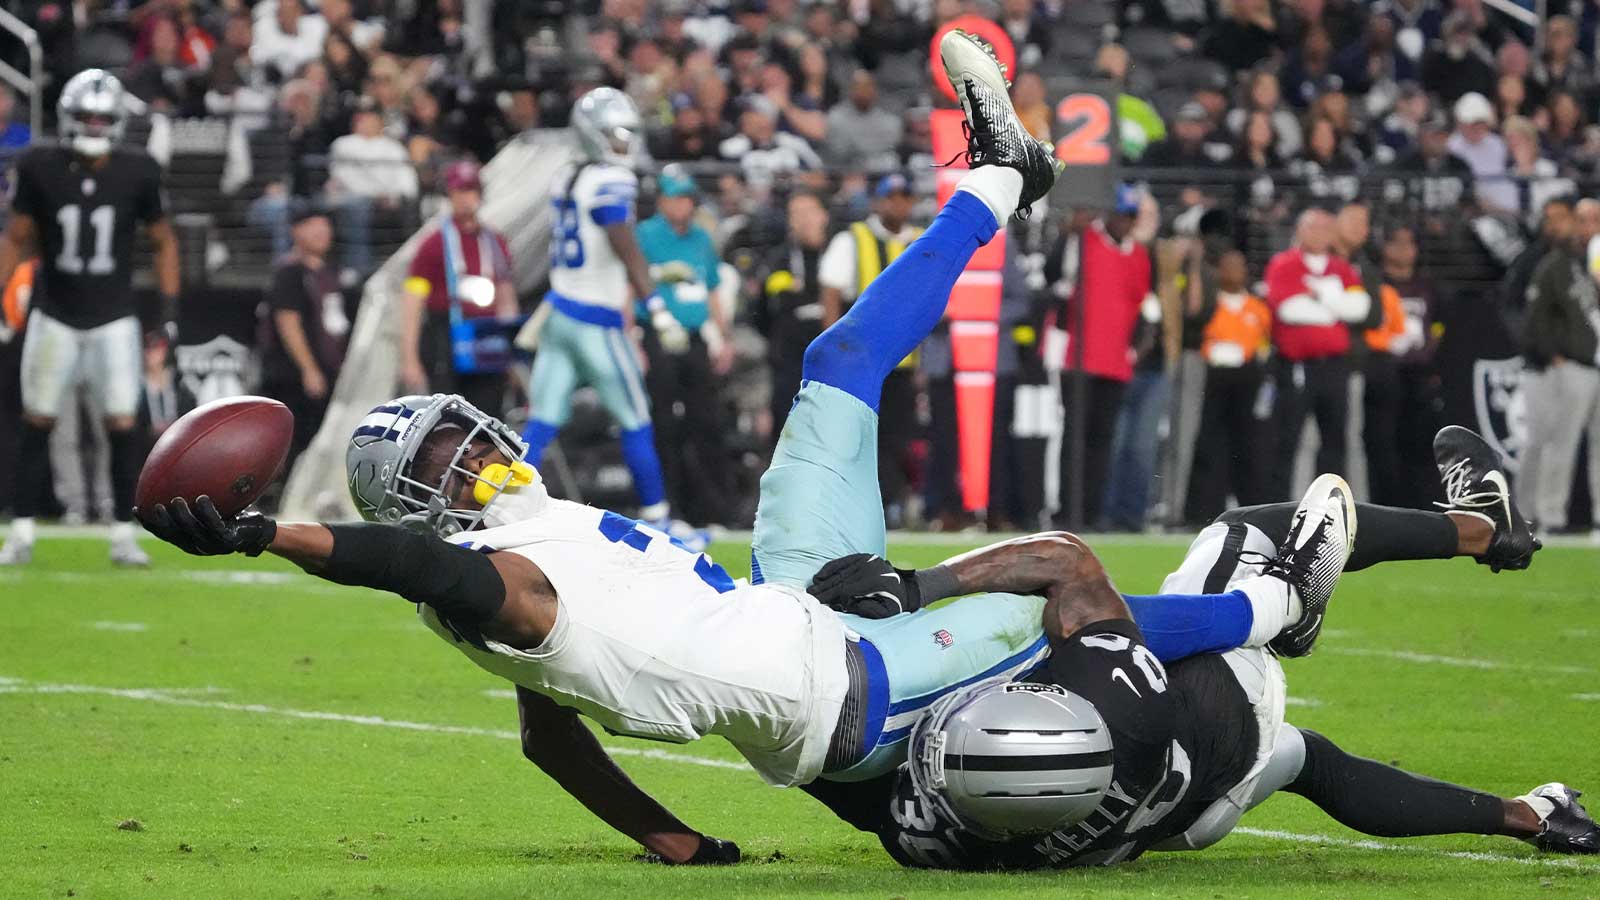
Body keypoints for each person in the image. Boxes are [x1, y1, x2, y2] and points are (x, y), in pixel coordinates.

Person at [135, 32, 1325, 866]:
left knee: (836, 369)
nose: (472, 449)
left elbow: (551, 745)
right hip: (851, 690)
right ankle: (1269, 615)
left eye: (458, 430)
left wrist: (671, 837)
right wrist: (271, 534)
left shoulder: (516, 575)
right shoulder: (490, 579)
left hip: (803, 604)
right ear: (425, 511)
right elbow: (417, 571)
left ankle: (1002, 183)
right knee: (1047, 592)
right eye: (444, 458)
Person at [802, 432, 1578, 870]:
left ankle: (1533, 817)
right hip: (1228, 694)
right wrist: (918, 587)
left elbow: (819, 758)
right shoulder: (1113, 702)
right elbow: (1072, 578)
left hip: (1196, 812)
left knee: (1314, 764)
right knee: (1242, 533)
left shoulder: (946, 844)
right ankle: (1474, 530)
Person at [0, 70, 180, 568]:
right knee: (37, 421)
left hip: (113, 315)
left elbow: (164, 240)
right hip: (54, 311)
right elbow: (17, 237)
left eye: (104, 116)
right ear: (68, 117)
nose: (95, 124)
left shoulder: (138, 170)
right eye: (87, 116)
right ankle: (21, 532)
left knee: (123, 424)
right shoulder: (40, 164)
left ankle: (123, 533)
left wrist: (168, 311)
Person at [518, 88, 688, 536]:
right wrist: (655, 304)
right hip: (596, 322)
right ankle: (660, 519)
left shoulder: (568, 177)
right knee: (637, 417)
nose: (624, 144)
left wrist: (654, 273)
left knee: (542, 421)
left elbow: (598, 249)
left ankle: (500, 509)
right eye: (615, 134)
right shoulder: (612, 180)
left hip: (560, 314)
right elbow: (621, 241)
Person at [817, 173, 923, 527]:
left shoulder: (920, 241)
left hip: (905, 362)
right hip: (862, 361)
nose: (898, 204)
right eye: (890, 197)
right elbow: (831, 291)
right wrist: (835, 349)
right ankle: (854, 507)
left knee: (897, 438)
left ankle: (889, 504)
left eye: (904, 196)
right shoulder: (854, 239)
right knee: (858, 438)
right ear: (877, 202)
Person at [635, 166, 735, 527]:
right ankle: (670, 508)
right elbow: (631, 285)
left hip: (693, 337)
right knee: (665, 422)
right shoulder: (644, 235)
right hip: (657, 335)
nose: (682, 205)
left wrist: (722, 337)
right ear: (661, 201)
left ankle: (713, 511)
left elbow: (711, 290)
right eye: (675, 197)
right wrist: (633, 339)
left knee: (706, 421)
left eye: (687, 198)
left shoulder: (701, 239)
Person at [1052, 185, 1151, 527]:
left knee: (1102, 440)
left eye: (1130, 218)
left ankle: (1092, 512)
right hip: (1079, 358)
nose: (1125, 223)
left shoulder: (1138, 254)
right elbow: (1058, 279)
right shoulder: (1082, 241)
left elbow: (1141, 304)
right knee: (1075, 438)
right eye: (1120, 216)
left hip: (1115, 362)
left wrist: (1136, 347)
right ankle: (1069, 510)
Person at [1262, 207, 1370, 500]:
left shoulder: (1340, 268)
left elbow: (1360, 308)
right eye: (1313, 227)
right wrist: (1335, 303)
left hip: (1334, 366)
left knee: (1335, 440)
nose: (1320, 234)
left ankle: (1328, 509)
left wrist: (1319, 295)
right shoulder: (1284, 264)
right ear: (1299, 230)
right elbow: (1288, 310)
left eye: (1325, 228)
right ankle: (1278, 507)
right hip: (1296, 365)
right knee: (1287, 439)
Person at [399, 160, 516, 415]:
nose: (466, 199)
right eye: (459, 191)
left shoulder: (494, 241)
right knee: (451, 416)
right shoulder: (433, 244)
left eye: (471, 191)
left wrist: (511, 349)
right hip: (446, 334)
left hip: (486, 334)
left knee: (489, 414)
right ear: (449, 196)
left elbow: (506, 294)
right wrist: (409, 357)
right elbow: (412, 302)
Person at [1522, 198, 1600, 534]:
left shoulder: (1587, 265)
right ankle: (1551, 515)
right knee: (1560, 441)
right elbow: (1535, 317)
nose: (1584, 227)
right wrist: (1555, 355)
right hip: (1572, 365)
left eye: (1591, 221)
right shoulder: (1554, 264)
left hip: (1593, 362)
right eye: (1578, 220)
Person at [1185, 250, 1272, 523]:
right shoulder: (1212, 305)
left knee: (1249, 446)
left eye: (1239, 266)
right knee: (1210, 445)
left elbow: (1265, 344)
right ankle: (1203, 512)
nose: (1234, 272)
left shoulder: (1258, 308)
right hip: (1214, 378)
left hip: (1247, 380)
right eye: (1228, 266)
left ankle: (1253, 513)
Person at [259, 203, 346, 474]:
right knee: (298, 441)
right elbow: (288, 321)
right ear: (296, 231)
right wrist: (309, 369)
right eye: (313, 225)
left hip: (329, 370)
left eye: (325, 225)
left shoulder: (331, 272)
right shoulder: (290, 272)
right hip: (296, 376)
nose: (322, 232)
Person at [754, 190, 830, 439]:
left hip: (831, 361)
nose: (804, 220)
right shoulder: (778, 259)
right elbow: (762, 311)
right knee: (787, 429)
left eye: (810, 212)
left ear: (824, 216)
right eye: (796, 214)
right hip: (789, 360)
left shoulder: (839, 252)